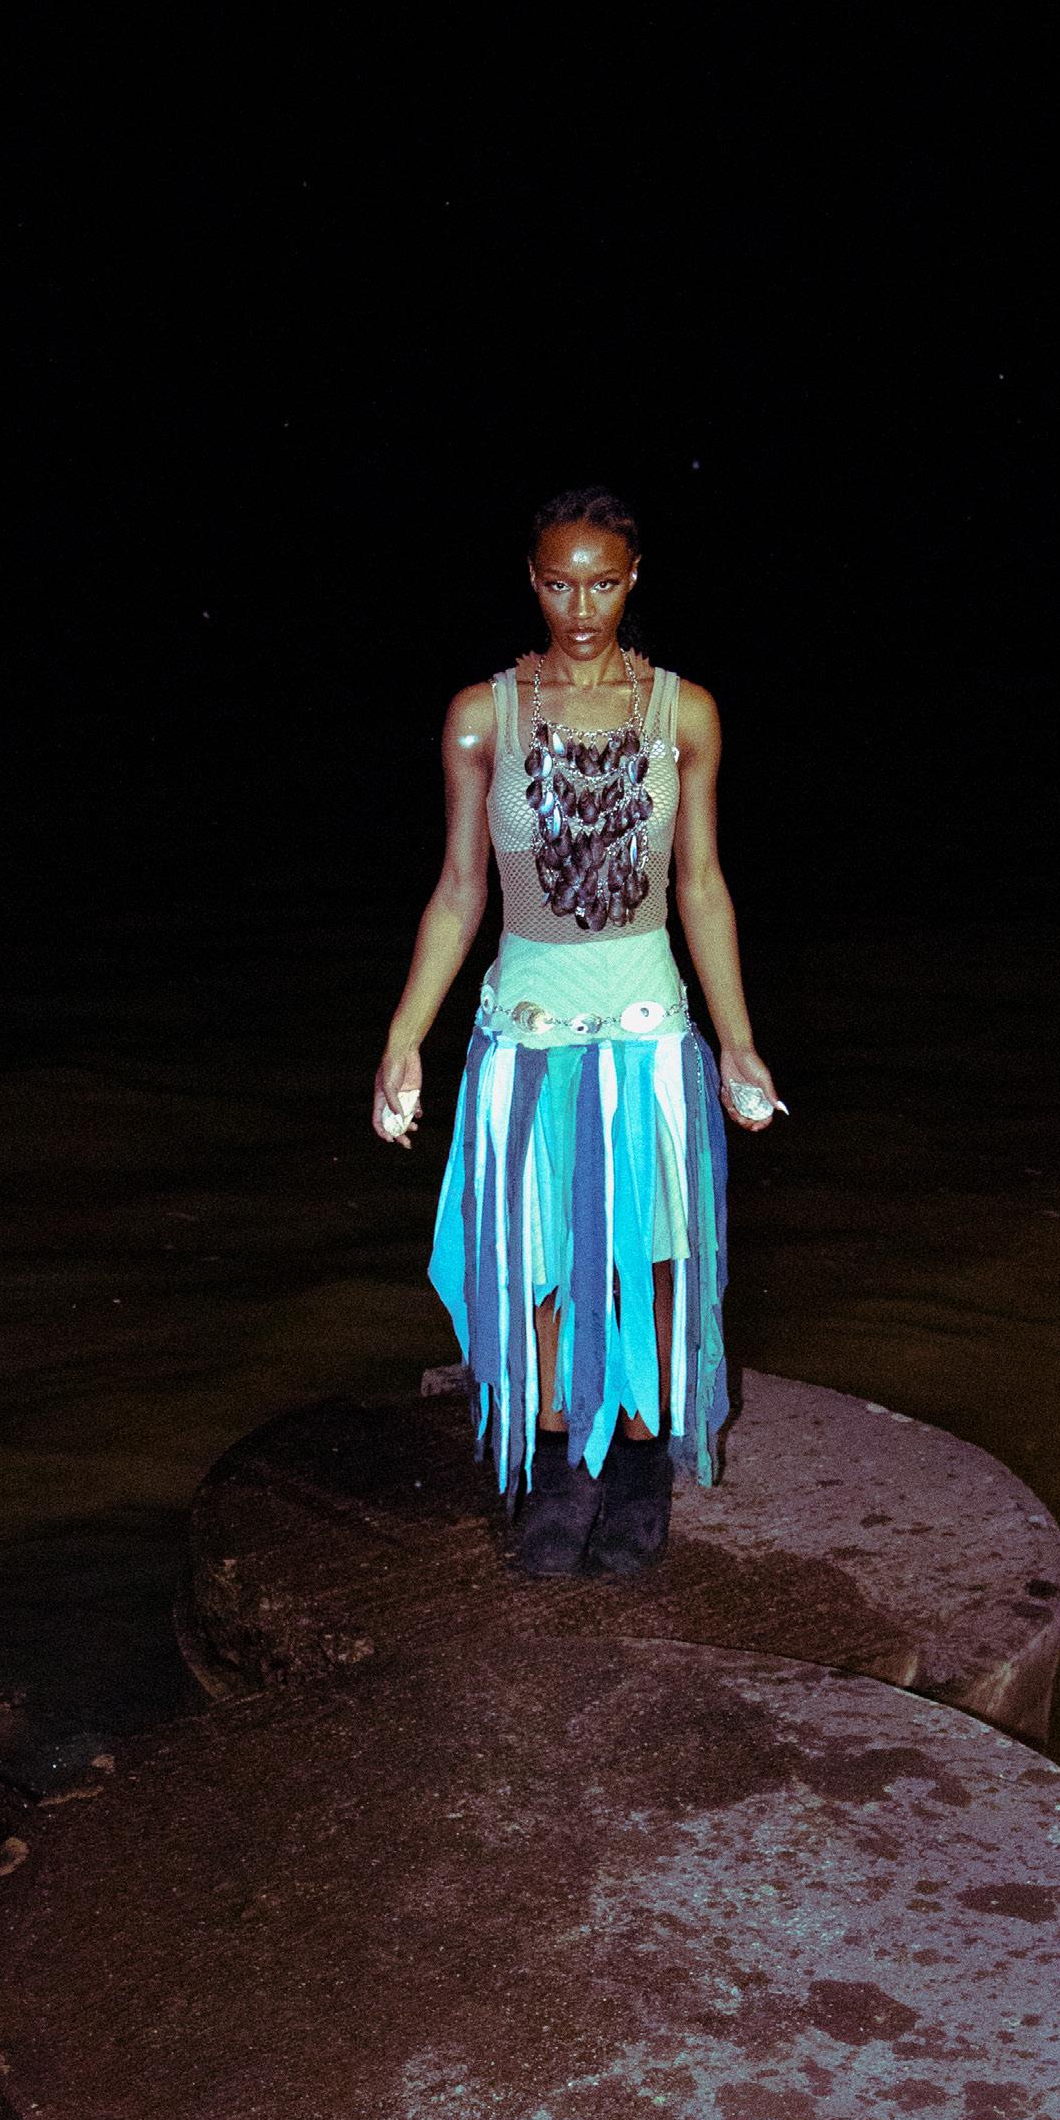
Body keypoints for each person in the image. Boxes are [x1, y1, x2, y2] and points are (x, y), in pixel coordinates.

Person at [370, 485, 781, 1573]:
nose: (582, 607)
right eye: (559, 584)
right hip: (529, 1033)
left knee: (655, 1255)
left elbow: (701, 885)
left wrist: (737, 1039)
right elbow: (460, 890)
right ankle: (560, 1465)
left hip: (647, 1029)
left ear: (634, 578)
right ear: (532, 580)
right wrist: (405, 1037)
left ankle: (640, 1463)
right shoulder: (482, 714)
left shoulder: (685, 713)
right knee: (542, 1256)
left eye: (602, 583)